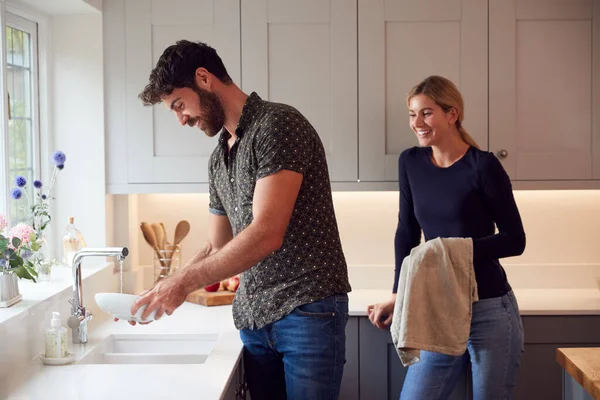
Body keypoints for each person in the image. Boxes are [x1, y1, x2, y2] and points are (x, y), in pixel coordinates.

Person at [128, 40, 352, 400]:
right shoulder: (218, 159)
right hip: (254, 320)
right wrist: (164, 287)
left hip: (307, 311)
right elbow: (218, 247)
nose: (180, 119)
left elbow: (266, 234)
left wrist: (182, 284)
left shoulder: (278, 125)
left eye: (179, 105)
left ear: (204, 78)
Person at [367, 75, 526, 400]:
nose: (417, 123)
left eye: (426, 113)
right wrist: (399, 293)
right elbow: (407, 232)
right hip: (437, 307)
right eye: (412, 114)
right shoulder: (410, 162)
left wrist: (450, 249)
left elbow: (515, 239)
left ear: (451, 114)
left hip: (490, 308)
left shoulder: (483, 166)